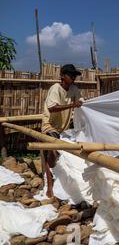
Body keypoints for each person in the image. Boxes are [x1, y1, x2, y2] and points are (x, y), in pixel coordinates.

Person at [41, 64, 84, 198]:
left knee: (64, 155)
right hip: (50, 126)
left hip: (63, 128)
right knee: (52, 153)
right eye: (71, 75)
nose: (73, 78)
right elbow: (53, 108)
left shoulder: (74, 89)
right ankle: (49, 186)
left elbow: (81, 102)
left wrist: (81, 103)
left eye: (74, 76)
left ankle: (61, 181)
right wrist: (73, 104)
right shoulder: (56, 88)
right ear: (62, 76)